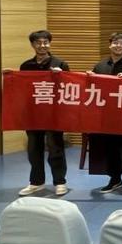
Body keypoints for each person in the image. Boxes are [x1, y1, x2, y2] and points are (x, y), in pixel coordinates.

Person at [17, 30, 70, 197]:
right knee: (34, 148)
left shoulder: (60, 64)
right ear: (32, 45)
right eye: (38, 43)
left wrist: (61, 76)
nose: (42, 45)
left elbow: (70, 87)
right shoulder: (26, 66)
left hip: (54, 114)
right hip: (33, 114)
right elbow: (22, 89)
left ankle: (60, 182)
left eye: (45, 42)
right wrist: (10, 76)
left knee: (55, 148)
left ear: (49, 43)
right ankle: (36, 182)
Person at [91, 32, 122, 194]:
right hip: (107, 114)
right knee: (110, 148)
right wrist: (90, 78)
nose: (118, 45)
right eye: (115, 42)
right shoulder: (100, 66)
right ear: (110, 44)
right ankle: (115, 178)